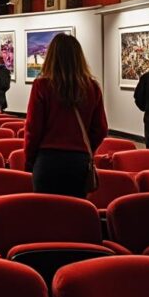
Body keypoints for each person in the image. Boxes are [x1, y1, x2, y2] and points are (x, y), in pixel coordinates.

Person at [23, 34, 108, 198]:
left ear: (51, 57)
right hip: (79, 161)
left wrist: (30, 160)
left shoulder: (42, 85)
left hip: (47, 160)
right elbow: (101, 129)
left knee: (47, 210)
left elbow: (33, 129)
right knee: (75, 210)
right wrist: (85, 148)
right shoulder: (92, 87)